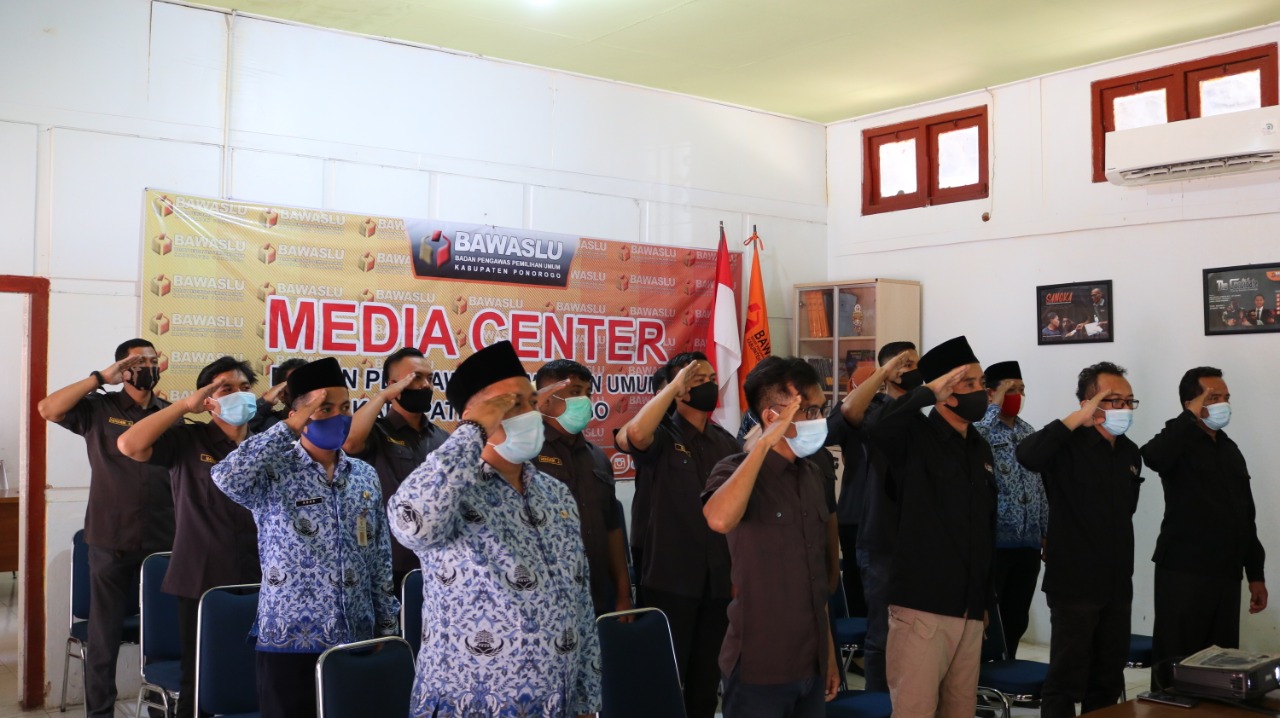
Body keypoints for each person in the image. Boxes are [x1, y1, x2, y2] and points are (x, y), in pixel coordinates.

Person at [386, 341, 601, 717]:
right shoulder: (451, 489)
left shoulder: (555, 494)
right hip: (471, 704)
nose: (529, 414)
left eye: (530, 402)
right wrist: (472, 431)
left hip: (557, 703)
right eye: (509, 405)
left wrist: (586, 699)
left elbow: (579, 601)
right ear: (474, 417)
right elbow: (411, 523)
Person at [212, 357, 398, 718]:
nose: (338, 417)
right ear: (298, 414)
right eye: (324, 409)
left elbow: (378, 554)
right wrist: (290, 426)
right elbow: (225, 476)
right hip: (289, 638)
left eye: (345, 407)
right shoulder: (273, 470)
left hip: (356, 635)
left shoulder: (363, 474)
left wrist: (387, 625)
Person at [116, 356, 263, 718]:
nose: (239, 394)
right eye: (226, 388)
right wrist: (184, 406)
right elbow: (130, 444)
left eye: (245, 387)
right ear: (207, 399)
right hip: (202, 580)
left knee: (256, 678)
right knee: (200, 681)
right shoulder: (188, 439)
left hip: (261, 579)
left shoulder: (264, 446)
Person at [37, 338, 175, 718]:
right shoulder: (100, 408)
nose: (148, 366)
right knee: (104, 639)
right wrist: (100, 377)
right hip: (110, 539)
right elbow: (48, 408)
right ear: (123, 369)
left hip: (164, 541)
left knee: (164, 634)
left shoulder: (169, 413)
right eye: (138, 361)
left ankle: (161, 709)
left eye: (152, 359)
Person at [703, 357, 842, 717]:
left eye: (821, 410)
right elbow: (719, 518)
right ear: (771, 416)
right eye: (808, 411)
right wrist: (764, 444)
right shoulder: (734, 470)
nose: (819, 420)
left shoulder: (811, 474)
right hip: (760, 665)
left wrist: (828, 654)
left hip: (810, 660)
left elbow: (816, 578)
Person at [866, 335, 996, 718]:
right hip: (923, 607)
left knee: (960, 710)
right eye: (969, 383)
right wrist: (924, 393)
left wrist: (984, 601)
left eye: (981, 382)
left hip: (969, 607)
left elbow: (983, 527)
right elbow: (877, 429)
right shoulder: (914, 435)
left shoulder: (978, 445)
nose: (981, 391)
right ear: (945, 392)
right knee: (916, 711)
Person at [615, 351, 741, 718]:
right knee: (664, 680)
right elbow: (635, 435)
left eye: (712, 378)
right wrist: (673, 387)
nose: (710, 385)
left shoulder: (723, 441)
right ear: (679, 389)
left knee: (706, 681)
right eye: (699, 380)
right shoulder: (662, 434)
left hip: (718, 580)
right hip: (671, 579)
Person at [1016, 362, 1144, 718]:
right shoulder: (1066, 445)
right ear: (1090, 404)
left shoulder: (1130, 452)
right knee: (1066, 678)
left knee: (1107, 678)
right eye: (1114, 400)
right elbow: (1027, 455)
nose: (1124, 408)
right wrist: (1075, 420)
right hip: (1074, 583)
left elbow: (1126, 511)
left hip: (1117, 583)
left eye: (1129, 401)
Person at [1141, 367, 1267, 683]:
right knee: (1177, 660)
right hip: (1184, 571)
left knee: (1220, 662)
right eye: (1213, 398)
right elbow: (1152, 456)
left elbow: (1245, 516)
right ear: (1191, 404)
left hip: (1226, 573)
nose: (1223, 404)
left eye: (1226, 397)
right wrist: (1188, 418)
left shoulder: (1229, 448)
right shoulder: (1176, 442)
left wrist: (1255, 573)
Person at [833, 340, 918, 693]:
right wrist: (883, 374)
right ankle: (877, 697)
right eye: (903, 364)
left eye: (914, 363)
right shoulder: (873, 408)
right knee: (878, 622)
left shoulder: (920, 412)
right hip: (869, 524)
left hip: (911, 529)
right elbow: (846, 413)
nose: (910, 369)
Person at [343, 347, 450, 590]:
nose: (426, 385)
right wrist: (383, 397)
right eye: (416, 378)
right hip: (389, 561)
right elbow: (349, 442)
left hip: (438, 562)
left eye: (430, 378)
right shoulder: (377, 432)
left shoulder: (443, 439)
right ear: (394, 385)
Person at [533, 359, 632, 616]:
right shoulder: (525, 452)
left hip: (598, 594)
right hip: (544, 599)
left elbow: (612, 528)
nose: (585, 401)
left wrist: (623, 594)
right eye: (575, 392)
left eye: (588, 393)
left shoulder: (597, 457)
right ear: (545, 399)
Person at [973, 360, 1047, 659]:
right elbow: (973, 437)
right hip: (995, 541)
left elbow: (1040, 486)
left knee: (1017, 616)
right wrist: (992, 408)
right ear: (990, 393)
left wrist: (1045, 531)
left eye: (1021, 389)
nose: (1018, 396)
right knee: (990, 615)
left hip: (1028, 541)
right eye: (1010, 390)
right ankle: (984, 675)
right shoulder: (980, 429)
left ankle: (1010, 666)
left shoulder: (1028, 431)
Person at [250, 357, 307, 432]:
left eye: (307, 382)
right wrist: (265, 401)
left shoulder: (321, 420)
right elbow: (239, 428)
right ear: (281, 394)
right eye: (295, 384)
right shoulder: (268, 424)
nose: (303, 389)